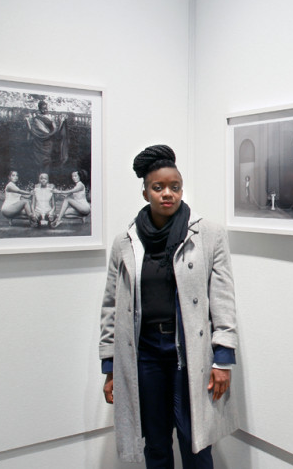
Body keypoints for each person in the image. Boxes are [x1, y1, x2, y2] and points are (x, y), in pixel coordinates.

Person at [99, 145, 239, 467]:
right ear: (145, 191)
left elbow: (223, 299)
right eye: (158, 187)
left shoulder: (208, 235)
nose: (168, 194)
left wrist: (223, 359)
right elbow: (111, 307)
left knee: (195, 442)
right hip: (145, 355)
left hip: (189, 354)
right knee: (156, 442)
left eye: (174, 187)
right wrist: (110, 367)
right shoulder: (126, 242)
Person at [24, 100, 68, 173]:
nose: (45, 110)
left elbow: (55, 131)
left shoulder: (50, 118)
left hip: (48, 144)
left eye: (46, 108)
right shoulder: (36, 119)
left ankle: (46, 180)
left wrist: (61, 122)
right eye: (43, 108)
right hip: (38, 144)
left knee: (47, 161)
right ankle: (39, 181)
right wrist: (27, 121)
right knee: (38, 163)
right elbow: (32, 130)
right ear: (39, 109)